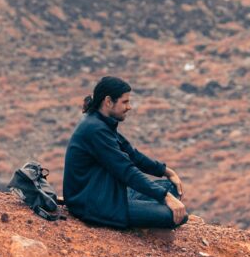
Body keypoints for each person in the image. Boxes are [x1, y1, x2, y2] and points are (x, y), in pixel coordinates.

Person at [63, 76, 196, 229]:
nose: (129, 107)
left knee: (170, 186)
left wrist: (166, 172)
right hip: (94, 204)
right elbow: (126, 171)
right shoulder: (95, 130)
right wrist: (164, 197)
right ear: (108, 101)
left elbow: (133, 155)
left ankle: (146, 211)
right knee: (177, 215)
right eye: (125, 102)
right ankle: (142, 217)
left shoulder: (102, 123)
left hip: (109, 194)